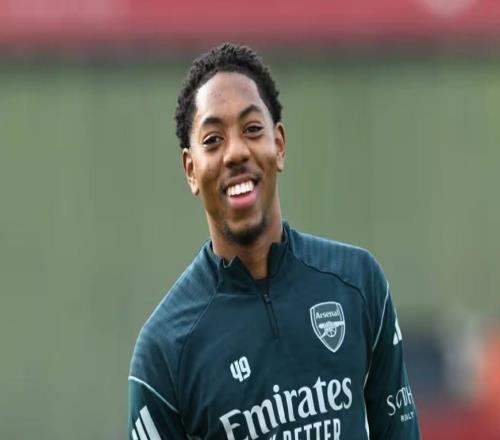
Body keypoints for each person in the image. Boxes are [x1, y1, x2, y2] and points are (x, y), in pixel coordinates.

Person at [128, 43, 421, 440]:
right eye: (213, 139)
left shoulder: (357, 283)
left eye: (252, 129)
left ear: (278, 145)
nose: (236, 152)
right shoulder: (164, 348)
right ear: (191, 170)